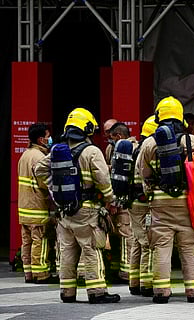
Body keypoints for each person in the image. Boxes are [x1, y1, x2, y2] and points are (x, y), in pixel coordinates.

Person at [35, 107, 120, 303]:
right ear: (87, 128)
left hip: (65, 211)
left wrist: (54, 188)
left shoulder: (58, 150)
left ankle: (67, 292)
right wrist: (110, 200)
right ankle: (97, 292)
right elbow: (104, 181)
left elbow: (39, 169)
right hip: (87, 209)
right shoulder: (92, 151)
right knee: (91, 249)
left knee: (67, 251)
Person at [138, 96, 194, 304]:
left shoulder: (150, 142)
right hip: (187, 201)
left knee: (162, 247)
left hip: (160, 201)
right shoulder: (193, 141)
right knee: (188, 247)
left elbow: (143, 173)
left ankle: (161, 292)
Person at [17, 123, 52, 284]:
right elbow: (45, 183)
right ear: (40, 139)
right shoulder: (39, 158)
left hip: (24, 208)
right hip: (37, 207)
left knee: (27, 241)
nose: (49, 139)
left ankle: (29, 273)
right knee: (40, 240)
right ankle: (41, 274)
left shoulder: (24, 155)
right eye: (47, 136)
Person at [128, 115, 157, 297]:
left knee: (137, 242)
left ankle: (134, 281)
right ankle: (147, 284)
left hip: (133, 203)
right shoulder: (147, 151)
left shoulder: (135, 149)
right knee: (148, 242)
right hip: (144, 202)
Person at [108, 122, 137, 283]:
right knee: (117, 235)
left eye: (110, 136)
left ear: (118, 135)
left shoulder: (130, 148)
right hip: (118, 199)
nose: (109, 140)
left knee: (127, 236)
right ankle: (117, 269)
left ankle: (126, 273)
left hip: (126, 200)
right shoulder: (114, 148)